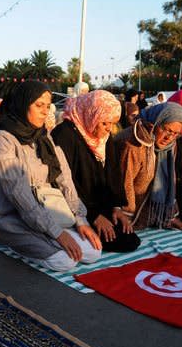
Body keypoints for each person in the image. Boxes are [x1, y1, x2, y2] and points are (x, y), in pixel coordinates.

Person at [0, 81, 102, 272]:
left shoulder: (43, 137)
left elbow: (64, 180)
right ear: (23, 104)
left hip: (47, 212)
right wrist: (58, 234)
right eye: (39, 105)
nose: (45, 112)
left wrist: (80, 220)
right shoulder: (3, 140)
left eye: (48, 106)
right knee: (65, 261)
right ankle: (17, 245)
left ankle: (47, 239)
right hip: (15, 219)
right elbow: (20, 196)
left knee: (92, 253)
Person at [51, 90, 140, 252]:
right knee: (117, 241)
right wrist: (93, 216)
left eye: (112, 124)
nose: (109, 129)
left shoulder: (104, 138)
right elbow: (64, 182)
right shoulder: (64, 134)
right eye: (104, 123)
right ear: (91, 114)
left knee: (129, 238)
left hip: (100, 205)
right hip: (75, 208)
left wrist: (116, 208)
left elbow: (113, 173)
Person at [110, 102, 182, 230]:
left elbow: (170, 180)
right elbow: (125, 183)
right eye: (166, 130)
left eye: (176, 133)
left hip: (146, 210)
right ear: (154, 123)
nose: (169, 138)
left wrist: (170, 216)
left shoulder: (169, 146)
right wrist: (127, 217)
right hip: (124, 208)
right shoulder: (133, 144)